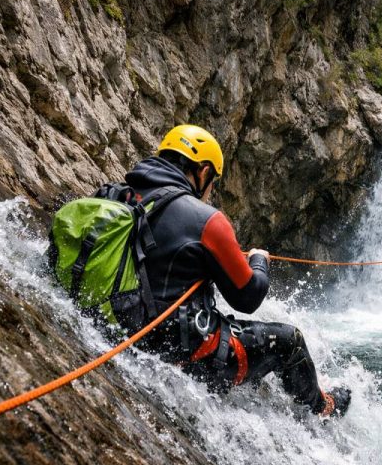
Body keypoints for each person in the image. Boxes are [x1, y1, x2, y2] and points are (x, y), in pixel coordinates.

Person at [112, 125, 350, 417]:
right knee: (290, 342)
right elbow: (248, 298)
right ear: (202, 171)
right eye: (213, 180)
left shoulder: (120, 197)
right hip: (174, 348)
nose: (211, 190)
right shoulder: (206, 220)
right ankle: (323, 407)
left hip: (119, 320)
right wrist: (259, 261)